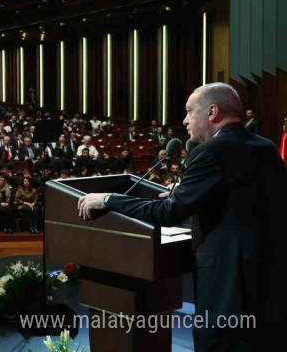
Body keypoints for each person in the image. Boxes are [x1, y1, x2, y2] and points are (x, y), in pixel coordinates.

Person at [78, 83, 287, 352]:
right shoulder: (265, 147)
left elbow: (168, 213)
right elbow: (244, 201)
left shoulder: (210, 151)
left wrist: (109, 199)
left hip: (228, 290)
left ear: (212, 112)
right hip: (271, 289)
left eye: (189, 112)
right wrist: (191, 192)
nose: (185, 120)